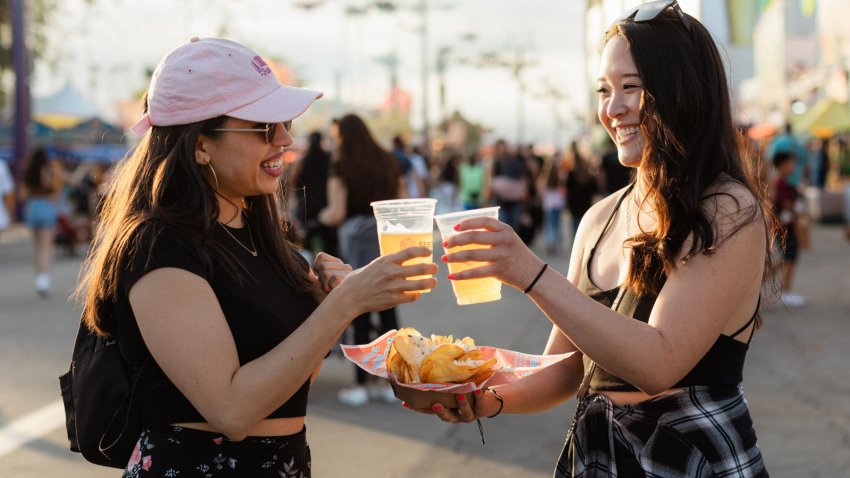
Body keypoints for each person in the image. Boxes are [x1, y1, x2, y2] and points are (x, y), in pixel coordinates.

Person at [409, 3, 774, 476]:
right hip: (601, 453)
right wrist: (483, 398)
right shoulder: (601, 217)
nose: (612, 108)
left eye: (631, 87)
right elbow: (566, 369)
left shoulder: (727, 209)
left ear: (682, 90)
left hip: (691, 454)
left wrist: (531, 274)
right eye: (604, 90)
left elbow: (657, 362)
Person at [73, 37, 436, 477]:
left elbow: (287, 388)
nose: (284, 139)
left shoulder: (264, 238)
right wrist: (347, 303)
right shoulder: (159, 244)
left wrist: (327, 306)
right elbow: (231, 411)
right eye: (264, 127)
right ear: (200, 145)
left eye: (284, 122)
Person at [319, 113, 407, 407]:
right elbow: (401, 201)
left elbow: (337, 212)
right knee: (388, 312)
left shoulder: (341, 165)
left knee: (358, 311)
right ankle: (390, 383)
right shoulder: (387, 160)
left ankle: (360, 385)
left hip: (355, 244)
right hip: (386, 240)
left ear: (344, 135)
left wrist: (316, 218)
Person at [289, 130, 338, 258]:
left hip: (305, 207)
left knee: (307, 244)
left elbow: (293, 184)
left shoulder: (302, 162)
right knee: (328, 245)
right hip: (324, 205)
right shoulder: (329, 159)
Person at [21, 147, 62, 297]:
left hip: (32, 208)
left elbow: (22, 194)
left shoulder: (28, 172)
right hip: (46, 206)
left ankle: (39, 278)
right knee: (46, 247)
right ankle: (44, 280)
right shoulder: (48, 170)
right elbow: (51, 187)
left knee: (37, 247)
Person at [771, 152, 806, 307]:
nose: (793, 166)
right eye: (790, 163)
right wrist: (797, 206)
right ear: (783, 164)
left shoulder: (784, 182)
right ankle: (785, 291)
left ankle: (787, 290)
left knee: (789, 259)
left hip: (786, 226)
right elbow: (786, 204)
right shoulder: (780, 183)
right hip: (784, 227)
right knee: (789, 259)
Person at [565, 139, 599, 236]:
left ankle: (577, 243)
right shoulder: (587, 174)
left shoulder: (571, 174)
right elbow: (593, 188)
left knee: (575, 225)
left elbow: (568, 189)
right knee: (584, 223)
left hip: (574, 204)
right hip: (586, 203)